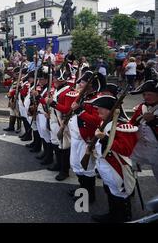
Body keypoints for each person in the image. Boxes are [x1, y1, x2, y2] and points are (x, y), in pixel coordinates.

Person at [90, 95, 138, 223]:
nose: (98, 111)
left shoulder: (122, 126)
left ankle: (124, 218)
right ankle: (113, 214)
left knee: (120, 193)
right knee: (110, 190)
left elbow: (126, 150)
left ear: (110, 110)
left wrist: (104, 138)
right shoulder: (105, 122)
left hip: (116, 166)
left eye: (101, 108)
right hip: (105, 164)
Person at [68, 71, 105, 203]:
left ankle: (89, 195)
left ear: (91, 85)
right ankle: (82, 188)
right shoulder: (83, 96)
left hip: (86, 139)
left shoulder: (97, 99)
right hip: (76, 138)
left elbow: (97, 121)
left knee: (87, 168)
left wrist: (80, 111)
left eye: (83, 82)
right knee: (76, 165)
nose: (80, 84)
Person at [43, 68, 75, 181]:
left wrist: (53, 103)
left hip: (61, 123)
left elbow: (67, 110)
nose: (54, 80)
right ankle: (58, 164)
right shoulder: (57, 89)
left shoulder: (69, 92)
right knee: (56, 143)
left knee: (64, 146)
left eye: (56, 78)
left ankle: (64, 170)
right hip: (53, 120)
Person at [129, 80, 158, 183]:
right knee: (129, 165)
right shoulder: (142, 107)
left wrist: (154, 121)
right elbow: (132, 123)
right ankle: (130, 188)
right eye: (144, 94)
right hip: (140, 147)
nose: (146, 97)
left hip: (156, 148)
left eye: (149, 94)